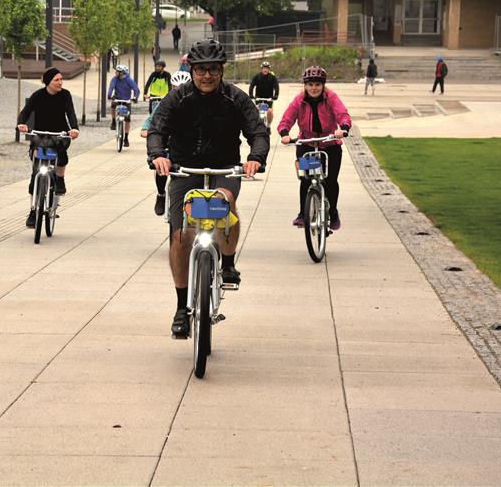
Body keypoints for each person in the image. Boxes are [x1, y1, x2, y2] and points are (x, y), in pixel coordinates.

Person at [147, 39, 269, 338]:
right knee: (180, 236)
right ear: (192, 70)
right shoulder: (177, 98)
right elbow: (157, 128)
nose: (206, 76)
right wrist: (158, 154)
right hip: (183, 170)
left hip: (224, 168)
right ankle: (180, 308)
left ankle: (227, 263)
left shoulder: (236, 98)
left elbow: (257, 131)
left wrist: (255, 158)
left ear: (221, 70)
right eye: (200, 70)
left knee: (225, 203)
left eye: (213, 70)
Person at [277, 65, 351, 231]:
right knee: (305, 180)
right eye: (310, 84)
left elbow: (342, 114)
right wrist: (284, 133)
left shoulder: (331, 97)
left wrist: (344, 128)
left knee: (331, 181)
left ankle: (332, 212)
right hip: (306, 144)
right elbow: (286, 119)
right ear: (305, 85)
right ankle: (303, 214)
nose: (314, 88)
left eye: (317, 84)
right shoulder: (299, 100)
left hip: (330, 144)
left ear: (323, 85)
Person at [17, 67, 80, 227]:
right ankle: (32, 210)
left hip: (60, 134)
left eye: (61, 79)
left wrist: (74, 128)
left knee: (62, 156)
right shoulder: (38, 96)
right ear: (48, 82)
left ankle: (59, 179)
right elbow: (25, 112)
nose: (60, 82)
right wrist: (21, 124)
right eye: (56, 80)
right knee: (35, 172)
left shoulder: (65, 95)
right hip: (40, 135)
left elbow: (71, 113)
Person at [141, 70, 192, 216]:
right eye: (177, 88)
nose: (180, 92)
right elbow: (152, 120)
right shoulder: (166, 103)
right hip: (167, 143)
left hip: (188, 147)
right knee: (161, 166)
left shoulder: (196, 104)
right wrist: (145, 130)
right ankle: (161, 194)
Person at [107, 64, 140, 147]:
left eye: (118, 71)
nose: (116, 73)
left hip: (127, 100)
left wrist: (135, 97)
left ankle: (126, 138)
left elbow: (136, 89)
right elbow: (111, 87)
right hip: (117, 98)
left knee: (128, 119)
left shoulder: (129, 80)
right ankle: (114, 120)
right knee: (113, 105)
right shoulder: (114, 79)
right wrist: (109, 95)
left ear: (122, 73)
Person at [248, 61, 280, 126]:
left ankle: (268, 126)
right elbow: (251, 86)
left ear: (269, 69)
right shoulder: (257, 77)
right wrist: (251, 95)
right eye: (264, 68)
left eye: (267, 68)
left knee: (270, 111)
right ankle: (256, 125)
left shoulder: (272, 77)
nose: (265, 69)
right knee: (256, 111)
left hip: (269, 98)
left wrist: (276, 95)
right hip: (258, 98)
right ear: (261, 69)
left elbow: (276, 87)